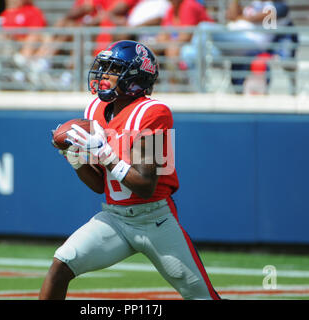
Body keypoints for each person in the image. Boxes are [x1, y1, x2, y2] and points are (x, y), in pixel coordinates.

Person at [39, 40, 221, 300]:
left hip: (155, 219)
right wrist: (74, 157)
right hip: (115, 218)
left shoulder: (154, 112)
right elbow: (100, 185)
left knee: (202, 296)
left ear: (135, 76)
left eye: (112, 69)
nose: (103, 76)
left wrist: (103, 152)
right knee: (61, 265)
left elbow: (145, 186)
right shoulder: (95, 109)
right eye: (103, 67)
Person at [156, 0, 214, 85]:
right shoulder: (171, 9)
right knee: (151, 50)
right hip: (182, 45)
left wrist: (167, 42)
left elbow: (186, 36)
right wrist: (166, 42)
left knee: (172, 50)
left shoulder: (189, 5)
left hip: (206, 45)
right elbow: (161, 36)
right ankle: (153, 88)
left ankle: (177, 87)